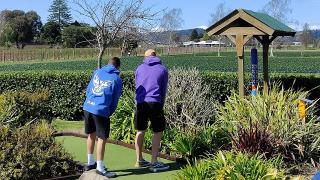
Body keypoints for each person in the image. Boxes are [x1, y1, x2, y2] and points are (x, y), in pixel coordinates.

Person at [83, 57, 122, 178]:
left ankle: (90, 162)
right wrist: (109, 111)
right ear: (118, 67)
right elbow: (115, 100)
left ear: (108, 64)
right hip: (101, 110)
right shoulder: (117, 79)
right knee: (102, 138)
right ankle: (99, 167)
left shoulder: (97, 72)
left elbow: (89, 89)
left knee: (91, 134)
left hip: (88, 107)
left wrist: (90, 102)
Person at [134, 49, 170, 172]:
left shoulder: (139, 68)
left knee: (140, 130)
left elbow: (137, 85)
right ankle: (154, 162)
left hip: (140, 103)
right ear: (156, 56)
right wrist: (161, 104)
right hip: (155, 102)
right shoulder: (163, 69)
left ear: (145, 56)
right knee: (157, 131)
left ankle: (139, 159)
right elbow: (163, 89)